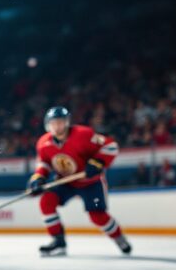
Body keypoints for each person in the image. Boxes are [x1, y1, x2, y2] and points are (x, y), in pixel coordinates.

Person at [28, 106, 132, 256]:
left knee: (97, 216)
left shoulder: (84, 134)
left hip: (91, 183)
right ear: (48, 125)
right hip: (65, 182)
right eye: (54, 123)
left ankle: (118, 237)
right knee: (46, 202)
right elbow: (43, 163)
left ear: (67, 122)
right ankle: (58, 242)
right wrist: (38, 178)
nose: (57, 126)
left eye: (61, 122)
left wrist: (98, 162)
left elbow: (110, 146)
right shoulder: (43, 143)